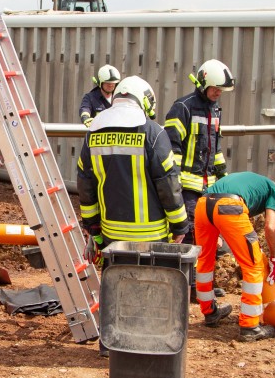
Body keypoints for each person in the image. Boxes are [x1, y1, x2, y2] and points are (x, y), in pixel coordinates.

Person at [77, 75, 190, 249]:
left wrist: (92, 227)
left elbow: (85, 184)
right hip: (152, 235)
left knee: (115, 275)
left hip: (111, 235)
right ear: (144, 101)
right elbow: (168, 182)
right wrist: (179, 225)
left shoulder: (93, 132)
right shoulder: (152, 132)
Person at [193, 171, 275, 341]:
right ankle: (250, 326)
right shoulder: (274, 190)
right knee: (254, 264)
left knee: (205, 259)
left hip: (203, 205)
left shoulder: (250, 182)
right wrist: (274, 259)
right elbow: (271, 227)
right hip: (229, 206)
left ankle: (210, 312)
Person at [164, 59, 234, 230]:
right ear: (203, 84)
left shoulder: (215, 110)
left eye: (221, 89)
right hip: (187, 186)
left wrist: (225, 177)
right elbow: (172, 147)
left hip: (208, 186)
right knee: (190, 231)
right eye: (215, 88)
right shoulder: (183, 107)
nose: (218, 92)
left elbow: (215, 149)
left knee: (209, 229)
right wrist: (175, 179)